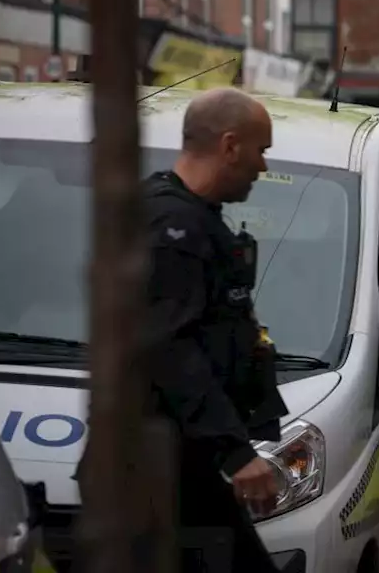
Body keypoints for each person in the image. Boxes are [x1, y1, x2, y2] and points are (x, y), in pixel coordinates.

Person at [99, 88, 286, 572]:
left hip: (186, 460)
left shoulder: (189, 218)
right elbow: (170, 348)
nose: (263, 167)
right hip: (166, 466)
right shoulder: (173, 226)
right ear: (229, 146)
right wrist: (235, 452)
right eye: (260, 151)